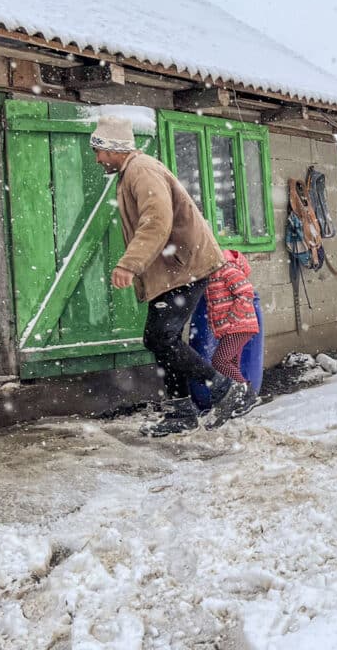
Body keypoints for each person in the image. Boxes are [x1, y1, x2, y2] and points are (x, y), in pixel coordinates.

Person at [90, 115, 255, 436]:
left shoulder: (141, 170)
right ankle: (181, 411)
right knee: (164, 340)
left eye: (99, 151)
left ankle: (225, 389)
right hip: (174, 269)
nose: (97, 159)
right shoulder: (132, 172)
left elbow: (157, 220)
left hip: (184, 267)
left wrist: (129, 264)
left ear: (113, 148)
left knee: (159, 338)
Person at [206, 249, 259, 387]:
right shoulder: (212, 272)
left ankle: (246, 392)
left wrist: (232, 317)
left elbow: (247, 291)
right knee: (231, 364)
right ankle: (237, 395)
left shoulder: (226, 268)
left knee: (220, 361)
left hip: (238, 326)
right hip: (233, 327)